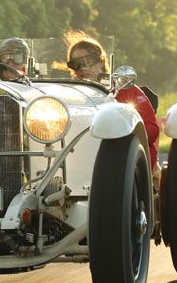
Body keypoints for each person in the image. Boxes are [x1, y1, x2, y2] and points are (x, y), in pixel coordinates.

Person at [67, 34, 160, 187]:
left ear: (100, 61)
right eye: (76, 64)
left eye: (88, 61)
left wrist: (121, 135)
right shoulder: (68, 95)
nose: (83, 68)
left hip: (123, 164)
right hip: (77, 163)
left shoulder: (125, 89)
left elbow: (151, 130)